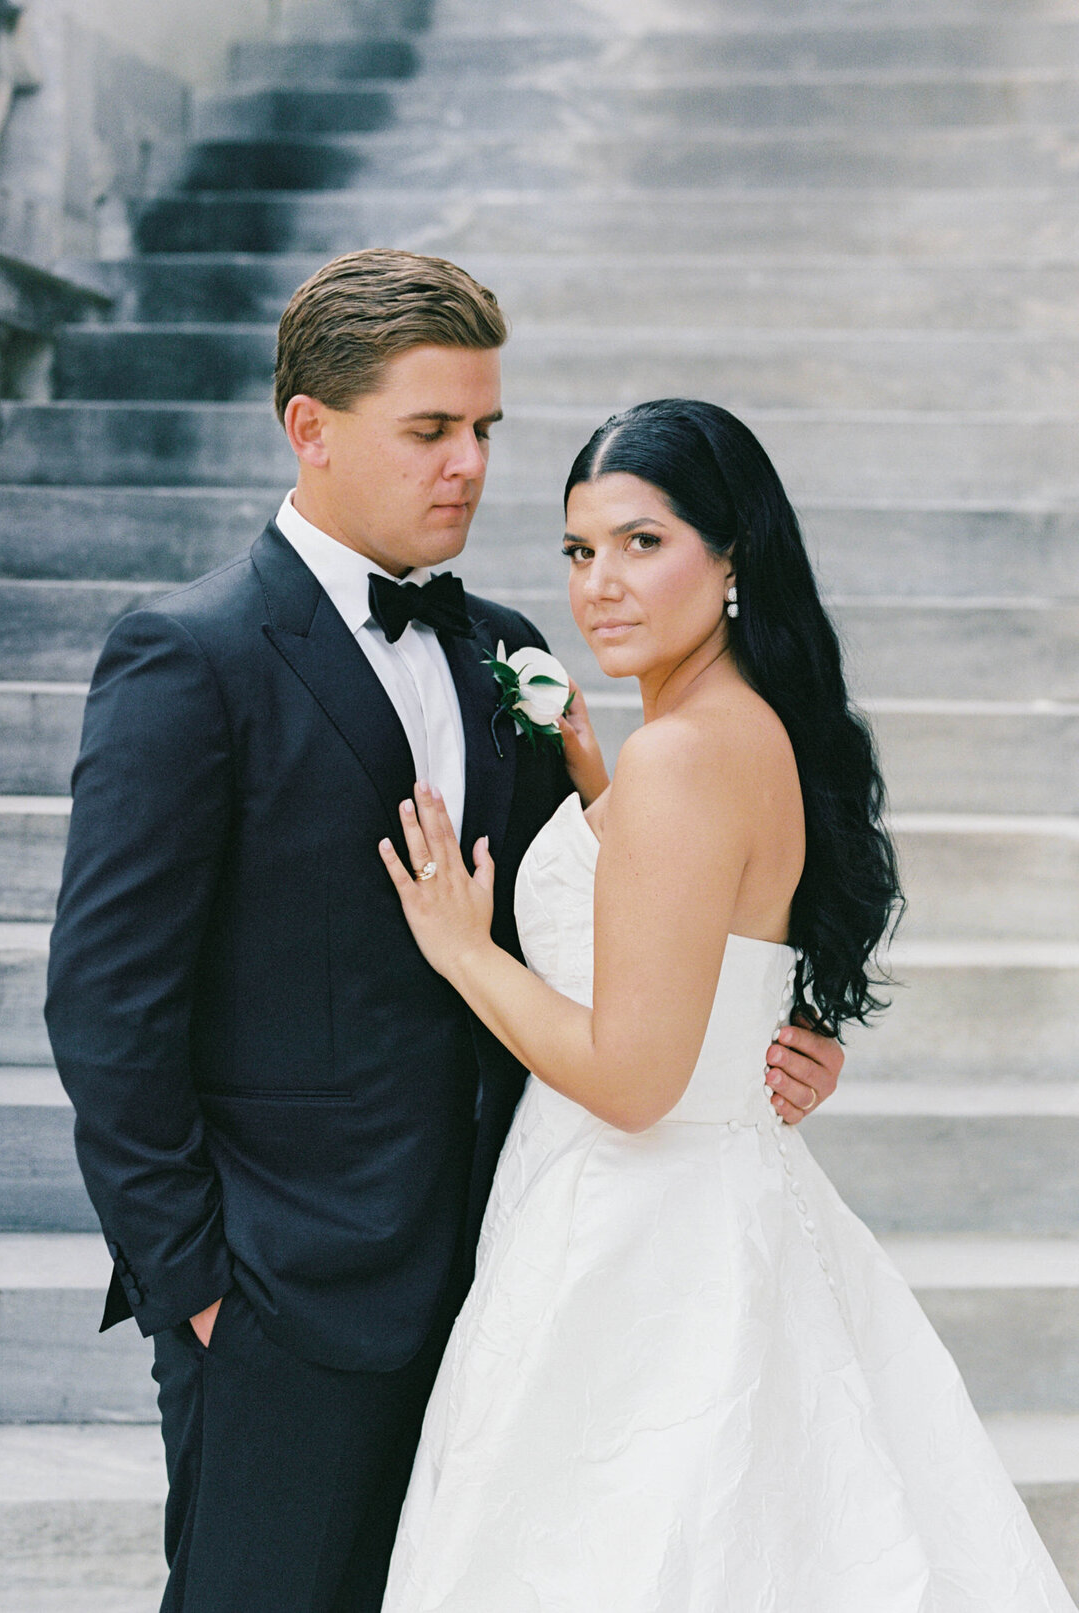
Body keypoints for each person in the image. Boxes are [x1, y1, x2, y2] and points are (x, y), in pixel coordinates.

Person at [44, 255, 846, 1613]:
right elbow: (106, 1007)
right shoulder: (190, 658)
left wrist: (772, 1023)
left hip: (502, 1279)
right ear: (313, 428)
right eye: (431, 432)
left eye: (484, 430)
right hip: (278, 1301)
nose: (470, 466)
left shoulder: (510, 651)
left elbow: (614, 914)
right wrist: (203, 1288)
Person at [378, 399, 1077, 1613]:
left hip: (635, 1232)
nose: (600, 584)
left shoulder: (686, 754)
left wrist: (462, 948)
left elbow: (636, 1078)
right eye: (579, 551)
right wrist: (597, 781)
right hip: (707, 1199)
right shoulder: (740, 732)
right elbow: (695, 930)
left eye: (643, 544)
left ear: (734, 556)